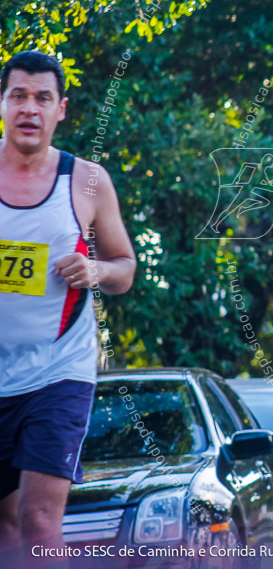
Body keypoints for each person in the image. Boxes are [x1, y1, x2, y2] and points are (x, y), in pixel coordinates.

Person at [0, 51, 136, 560]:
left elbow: (125, 266)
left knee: (38, 520)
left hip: (58, 372)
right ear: (3, 103)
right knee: (6, 526)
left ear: (62, 110)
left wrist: (97, 270)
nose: (29, 108)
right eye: (19, 96)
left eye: (42, 98)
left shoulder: (88, 181)